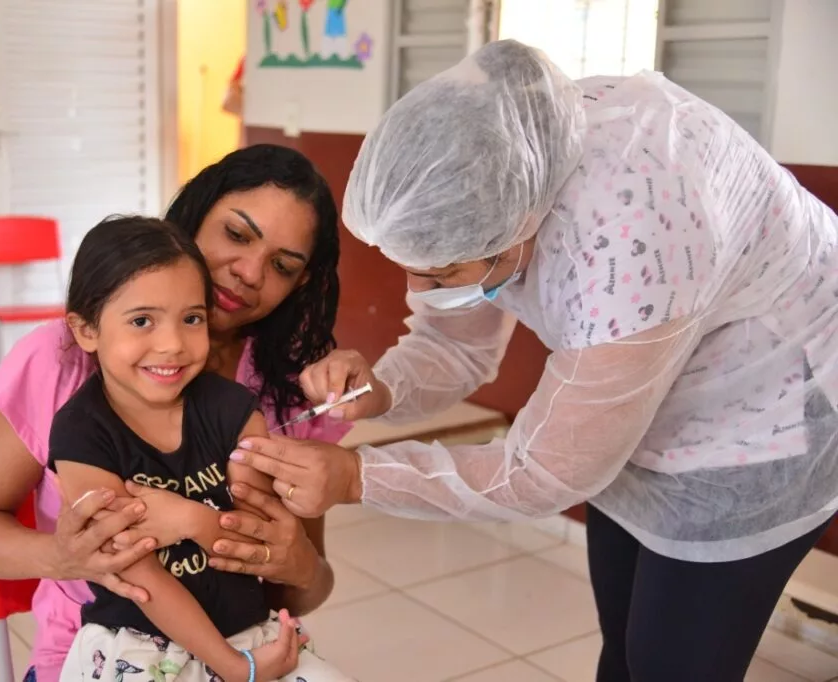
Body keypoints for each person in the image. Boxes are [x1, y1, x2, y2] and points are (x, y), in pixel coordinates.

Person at [230, 40, 838, 681]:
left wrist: (357, 477)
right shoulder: (500, 162)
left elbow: (547, 470)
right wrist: (379, 389)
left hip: (766, 409)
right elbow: (453, 343)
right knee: (626, 646)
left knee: (673, 663)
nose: (425, 291)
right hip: (646, 396)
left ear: (522, 222)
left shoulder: (630, 238)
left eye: (440, 272)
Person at [0, 144, 350, 682]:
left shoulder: (285, 390)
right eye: (236, 234)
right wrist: (62, 557)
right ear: (194, 217)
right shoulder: (63, 363)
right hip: (105, 653)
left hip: (247, 639)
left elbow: (306, 586)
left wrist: (293, 559)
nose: (249, 271)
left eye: (281, 265)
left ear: (299, 284)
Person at [51, 217, 350, 682]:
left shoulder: (232, 409)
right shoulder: (80, 433)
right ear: (87, 329)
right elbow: (139, 576)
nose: (172, 345)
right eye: (142, 321)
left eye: (191, 319)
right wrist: (233, 668)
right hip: (137, 647)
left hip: (249, 633)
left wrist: (189, 519)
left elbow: (260, 539)